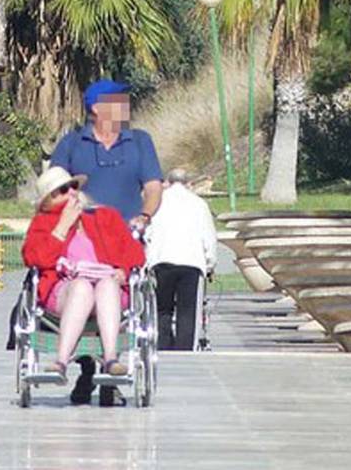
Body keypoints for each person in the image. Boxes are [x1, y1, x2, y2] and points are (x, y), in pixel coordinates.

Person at [22, 166, 144, 406]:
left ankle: (110, 359)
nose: (71, 193)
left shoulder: (104, 217)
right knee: (82, 287)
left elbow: (135, 253)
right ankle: (61, 361)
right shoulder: (43, 223)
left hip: (108, 289)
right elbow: (35, 259)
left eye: (73, 186)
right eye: (61, 191)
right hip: (64, 289)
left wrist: (123, 270)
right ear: (47, 202)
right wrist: (61, 227)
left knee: (107, 284)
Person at [49, 80, 163, 234]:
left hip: (129, 236)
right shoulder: (71, 143)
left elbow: (153, 187)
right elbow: (54, 190)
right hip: (83, 237)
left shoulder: (140, 140)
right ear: (96, 108)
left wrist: (144, 216)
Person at [145, 168, 217, 351]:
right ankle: (185, 348)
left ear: (167, 183)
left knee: (162, 308)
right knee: (188, 309)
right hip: (191, 262)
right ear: (189, 184)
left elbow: (147, 233)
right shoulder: (199, 204)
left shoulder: (157, 203)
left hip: (162, 260)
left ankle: (163, 345)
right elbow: (208, 236)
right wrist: (210, 263)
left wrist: (147, 260)